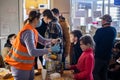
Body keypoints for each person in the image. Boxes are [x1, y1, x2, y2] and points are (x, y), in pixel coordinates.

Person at [4, 10, 60, 80]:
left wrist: (52, 41)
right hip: (20, 66)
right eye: (40, 19)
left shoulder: (33, 30)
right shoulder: (28, 32)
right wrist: (50, 50)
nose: (41, 21)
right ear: (36, 19)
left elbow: (43, 40)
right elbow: (32, 52)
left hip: (27, 65)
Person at [93, 14, 117, 80]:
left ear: (104, 21)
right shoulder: (114, 30)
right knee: (104, 73)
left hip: (99, 56)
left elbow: (94, 41)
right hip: (108, 56)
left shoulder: (100, 31)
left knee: (95, 73)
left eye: (102, 20)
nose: (101, 21)